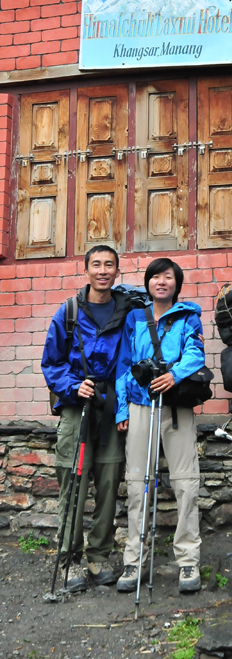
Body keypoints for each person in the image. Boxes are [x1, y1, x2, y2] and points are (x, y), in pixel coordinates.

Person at [42, 245, 133, 592]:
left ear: (117, 271)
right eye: (96, 264)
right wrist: (71, 385)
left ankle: (98, 557)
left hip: (111, 408)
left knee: (108, 483)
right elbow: (51, 362)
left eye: (109, 265)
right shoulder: (68, 311)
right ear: (86, 270)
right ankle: (69, 560)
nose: (103, 270)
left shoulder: (127, 311)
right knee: (74, 485)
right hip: (75, 407)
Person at [115, 258, 205, 594]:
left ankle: (188, 561)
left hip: (177, 406)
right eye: (155, 277)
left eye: (168, 277)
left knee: (186, 484)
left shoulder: (188, 316)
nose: (162, 282)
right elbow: (124, 366)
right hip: (140, 406)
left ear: (177, 284)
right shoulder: (135, 318)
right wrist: (121, 409)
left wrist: (174, 375)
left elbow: (196, 353)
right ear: (148, 283)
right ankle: (134, 560)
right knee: (138, 484)